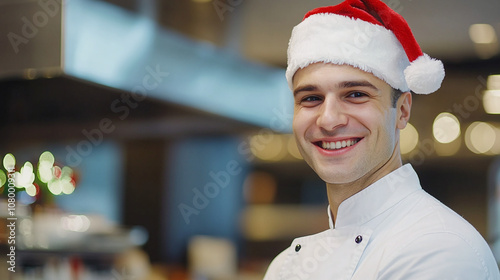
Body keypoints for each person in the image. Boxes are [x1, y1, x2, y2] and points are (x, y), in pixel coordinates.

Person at [263, 0, 500, 279]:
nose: (328, 120)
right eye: (311, 98)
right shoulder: (283, 266)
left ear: (402, 111)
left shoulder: (440, 248)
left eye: (355, 94)